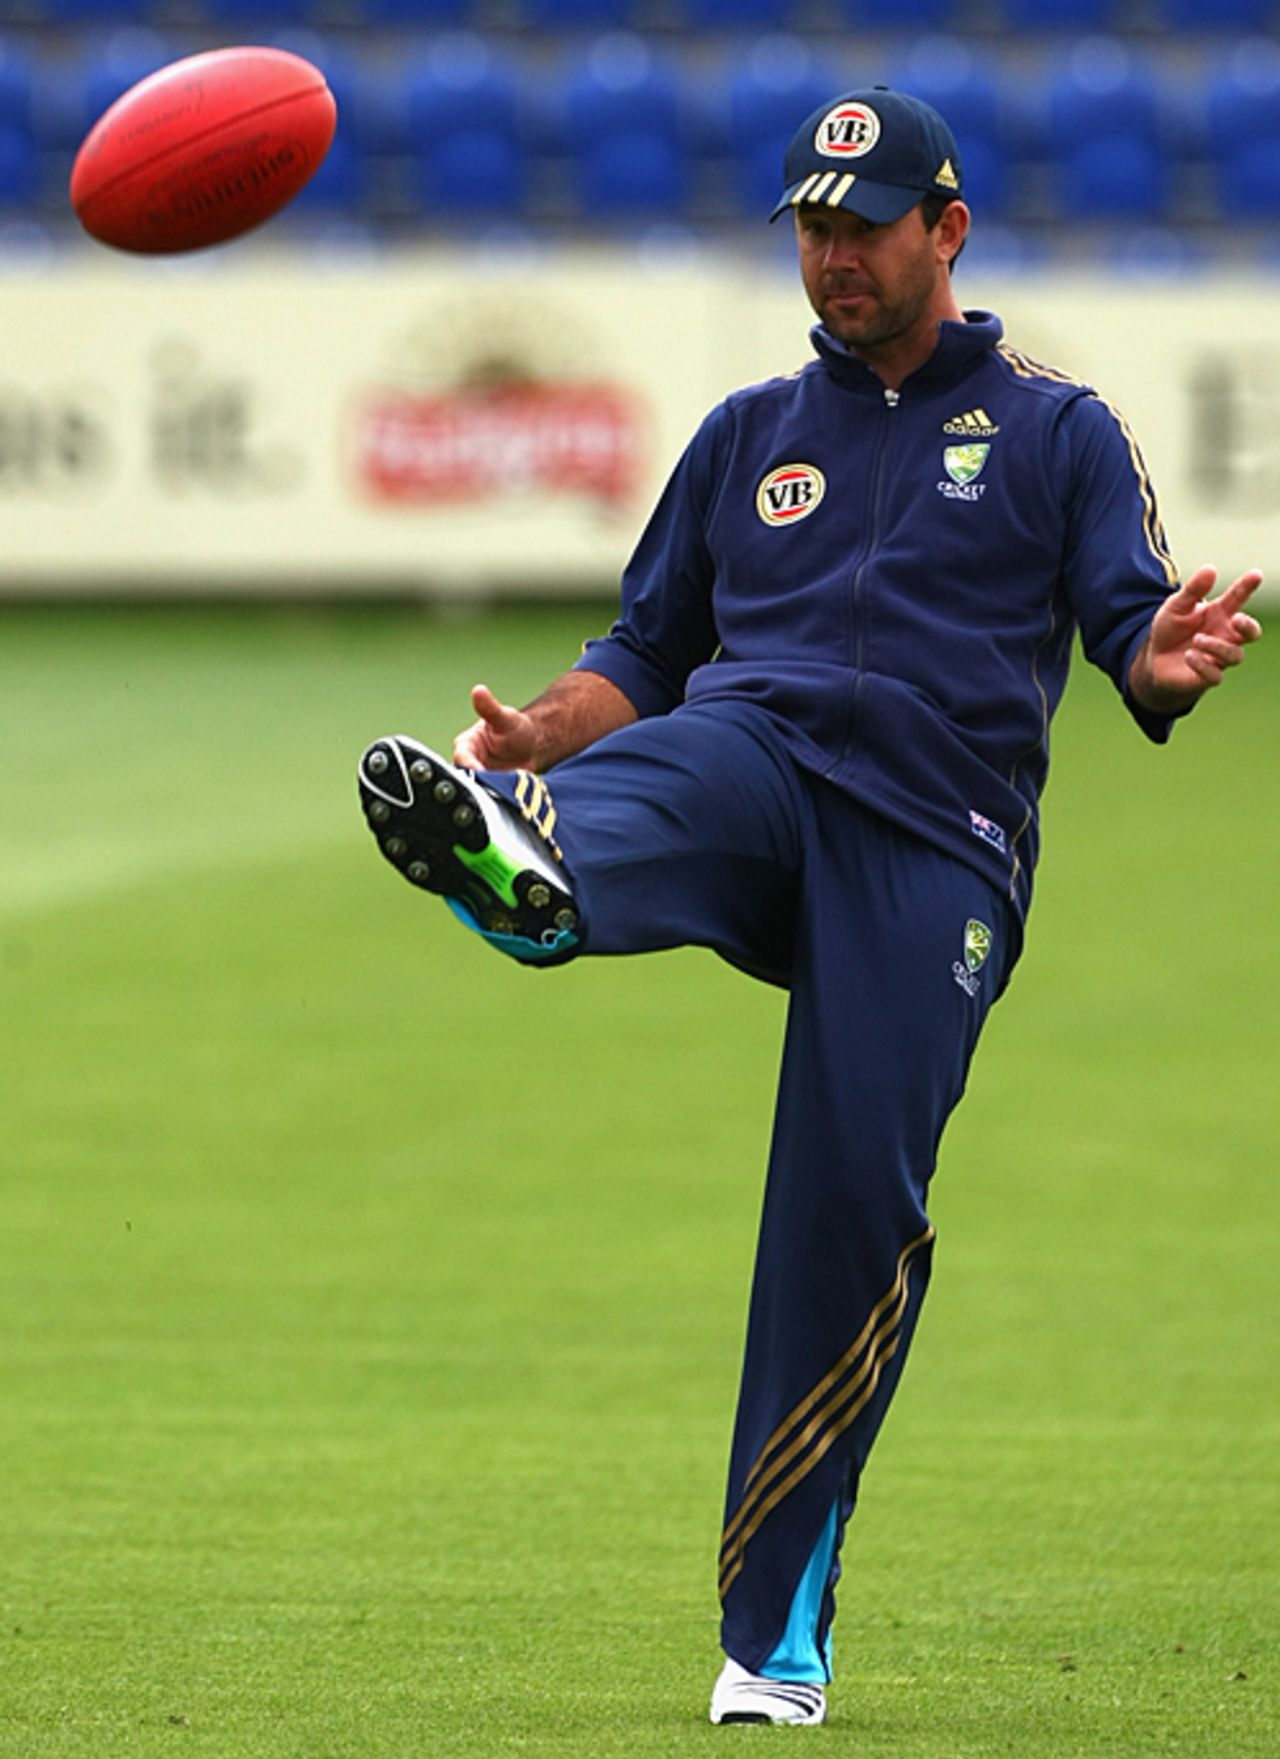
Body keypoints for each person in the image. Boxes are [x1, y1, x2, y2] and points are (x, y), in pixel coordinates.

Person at [357, 86, 1262, 1727]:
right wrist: (533, 738)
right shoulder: (745, 433)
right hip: (764, 767)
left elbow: (1133, 627)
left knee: (846, 1211)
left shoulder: (1061, 430)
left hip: (940, 841)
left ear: (949, 231)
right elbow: (643, 653)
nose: (833, 257)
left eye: (863, 225)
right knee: (695, 756)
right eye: (811, 229)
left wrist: (1163, 661)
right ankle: (526, 866)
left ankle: (772, 1637)